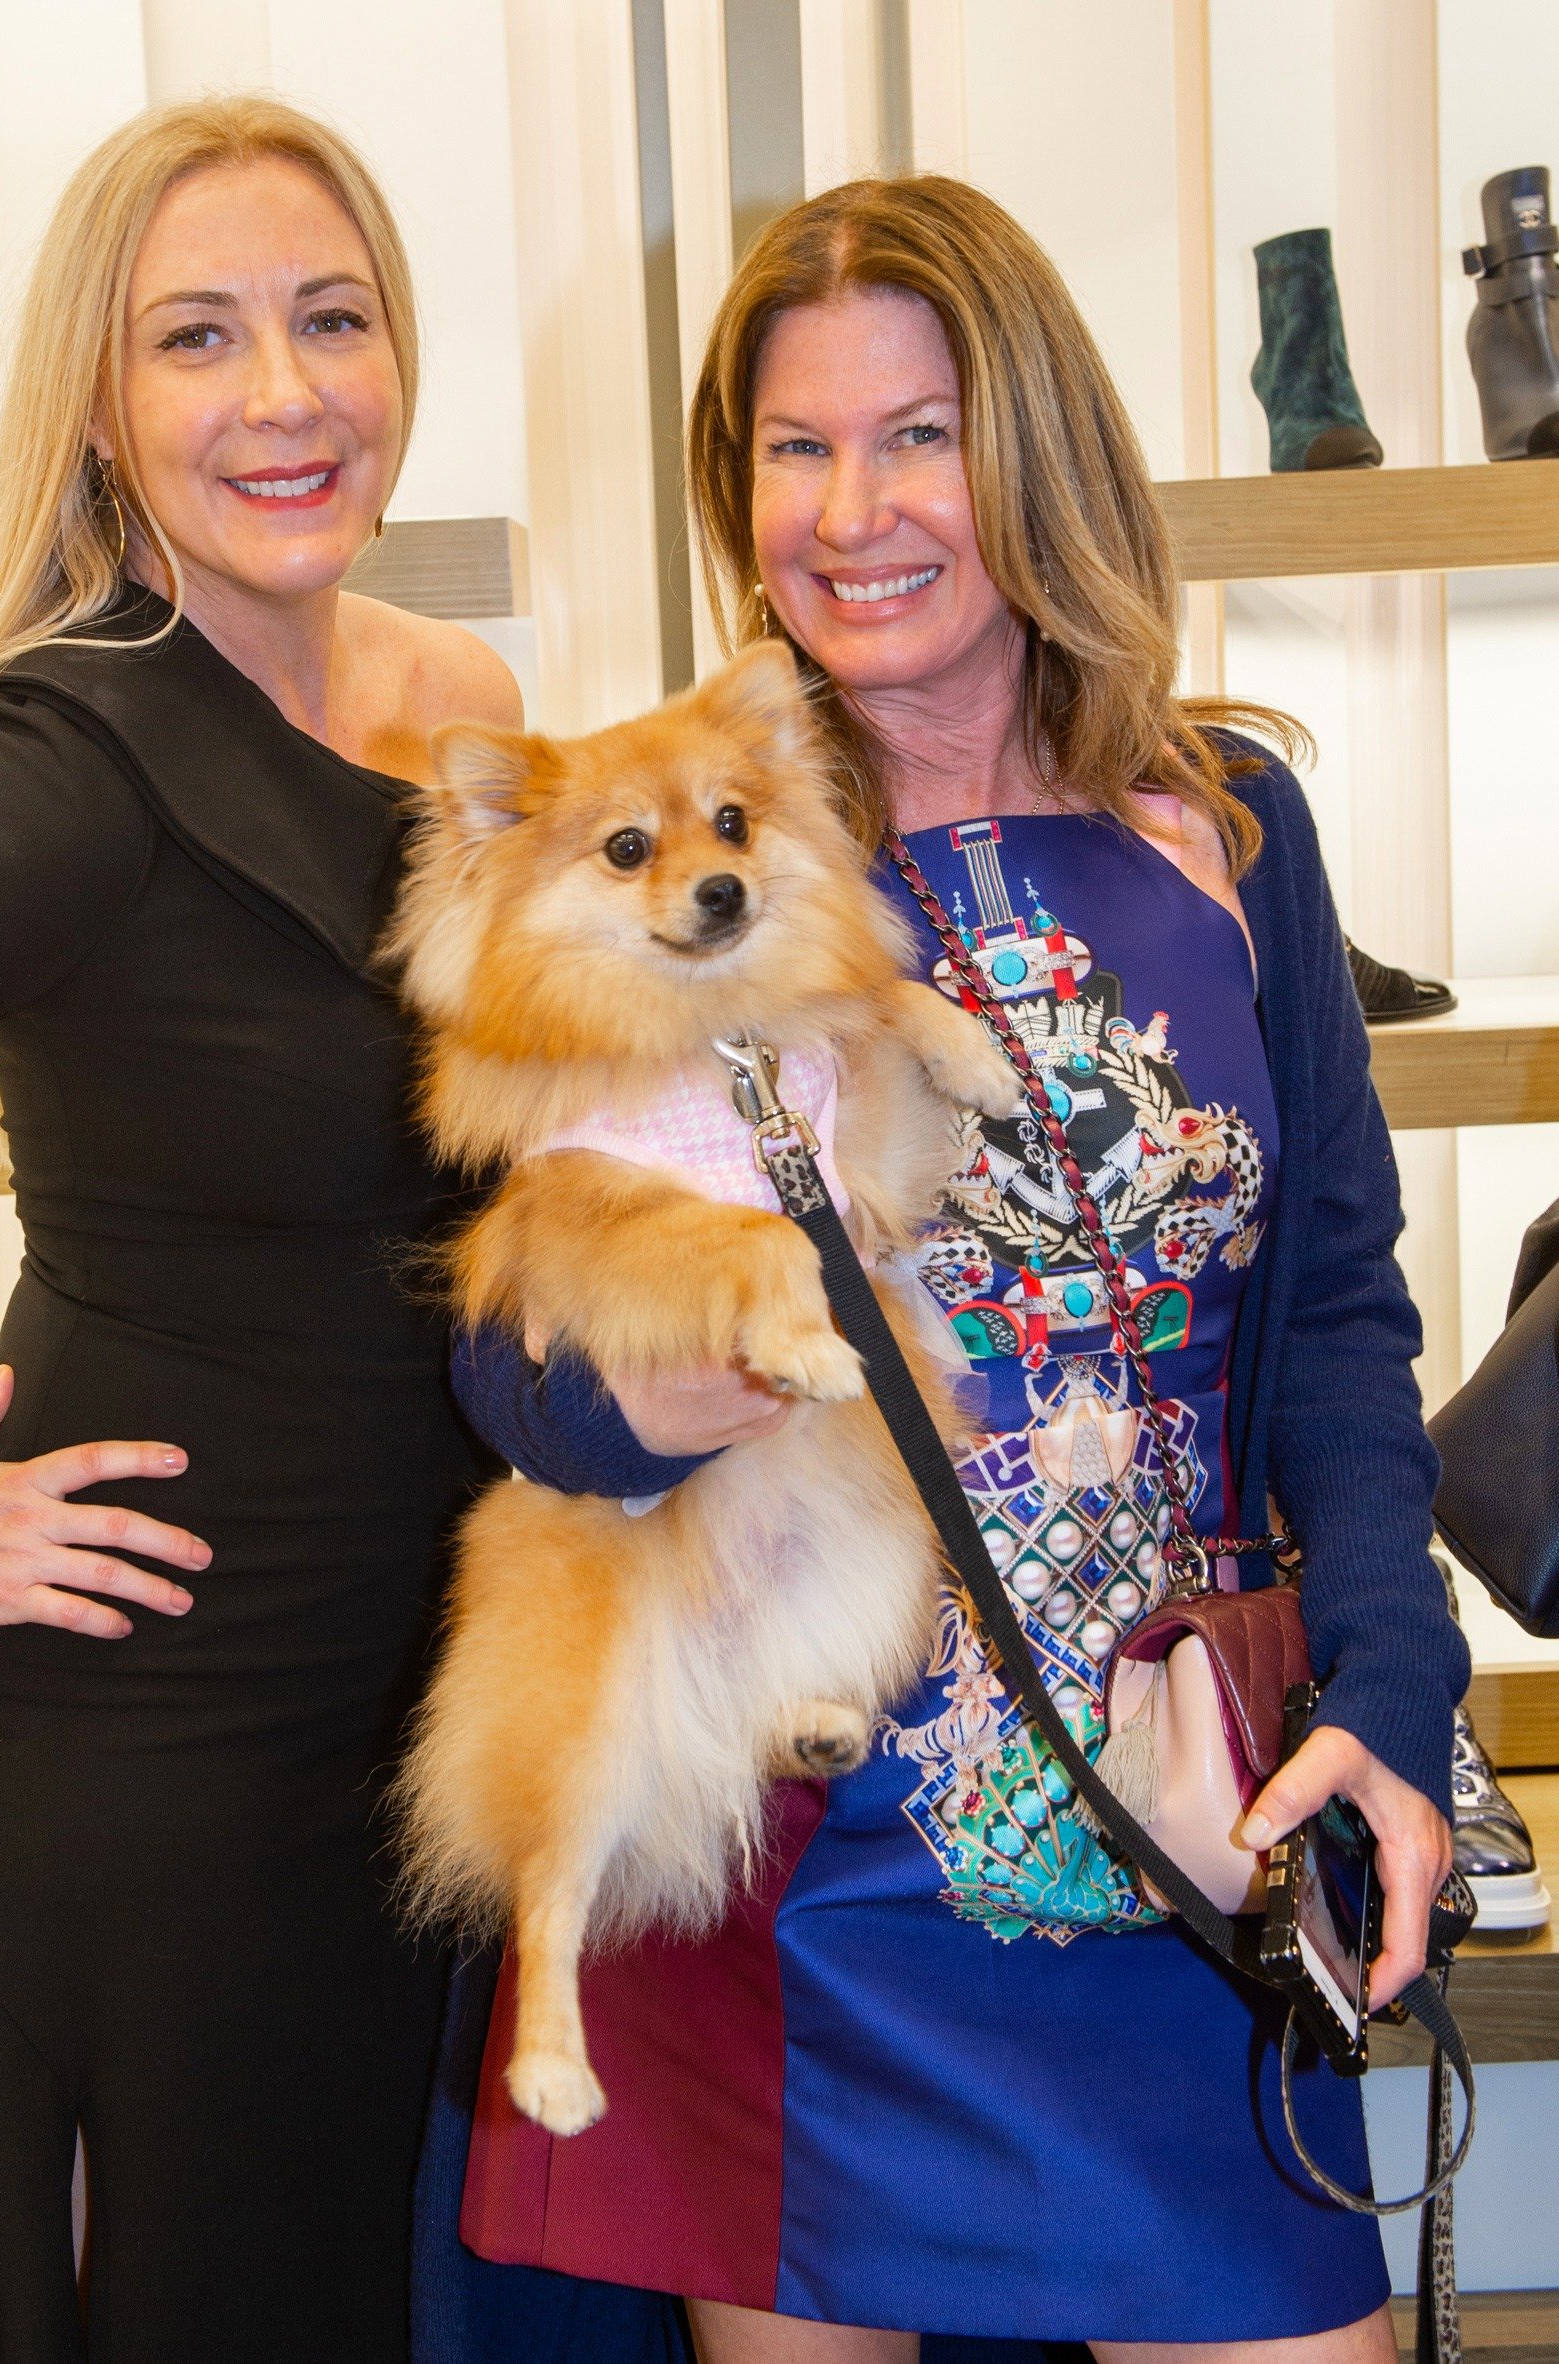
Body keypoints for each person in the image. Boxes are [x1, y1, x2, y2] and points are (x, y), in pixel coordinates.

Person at [441, 177, 1467, 2364]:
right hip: (792, 1833)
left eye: (920, 433)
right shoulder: (692, 854)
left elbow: (1347, 1317)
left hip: (1173, 1809)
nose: (855, 508)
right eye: (796, 449)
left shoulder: (1233, 831)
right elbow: (518, 1360)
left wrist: (1393, 1690)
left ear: (1035, 451)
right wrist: (667, 1383)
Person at [0, 95, 518, 2364]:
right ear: (100, 399)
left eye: (331, 318)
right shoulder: (60, 771)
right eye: (197, 338)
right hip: (144, 1743)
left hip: (420, 1711)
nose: (284, 396)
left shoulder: (455, 706)